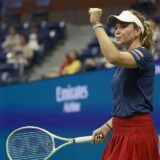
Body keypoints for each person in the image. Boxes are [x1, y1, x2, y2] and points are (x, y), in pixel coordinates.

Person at [89, 8, 160, 160]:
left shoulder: (143, 55)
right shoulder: (124, 64)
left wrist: (96, 23)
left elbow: (112, 57)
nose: (117, 31)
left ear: (137, 31)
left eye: (123, 26)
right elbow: (128, 105)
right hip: (119, 133)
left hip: (137, 134)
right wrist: (107, 127)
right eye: (116, 28)